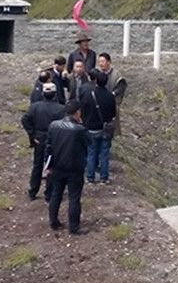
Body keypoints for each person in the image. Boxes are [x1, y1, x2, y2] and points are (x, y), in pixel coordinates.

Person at [45, 99, 88, 235]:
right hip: (74, 168)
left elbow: (49, 147)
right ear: (77, 112)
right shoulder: (79, 129)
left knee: (56, 194)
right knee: (74, 198)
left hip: (57, 166)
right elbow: (88, 143)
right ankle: (74, 227)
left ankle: (53, 221)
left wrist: (48, 165)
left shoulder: (53, 125)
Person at [21, 82, 66, 202]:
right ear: (55, 94)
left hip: (39, 138)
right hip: (54, 139)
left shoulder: (35, 107)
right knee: (52, 166)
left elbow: (25, 119)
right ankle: (49, 193)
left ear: (43, 93)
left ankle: (33, 191)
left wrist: (32, 134)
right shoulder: (61, 109)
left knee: (37, 165)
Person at [80, 69, 117, 184]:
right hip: (105, 128)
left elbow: (83, 112)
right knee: (104, 154)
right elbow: (113, 114)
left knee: (91, 153)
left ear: (95, 81)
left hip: (91, 128)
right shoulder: (110, 96)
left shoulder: (88, 95)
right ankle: (104, 177)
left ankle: (90, 177)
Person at [98, 52, 127, 135]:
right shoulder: (97, 73)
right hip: (99, 103)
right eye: (99, 62)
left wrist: (113, 94)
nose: (101, 64)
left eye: (103, 61)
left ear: (109, 62)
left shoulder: (116, 74)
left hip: (112, 103)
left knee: (113, 125)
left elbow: (121, 86)